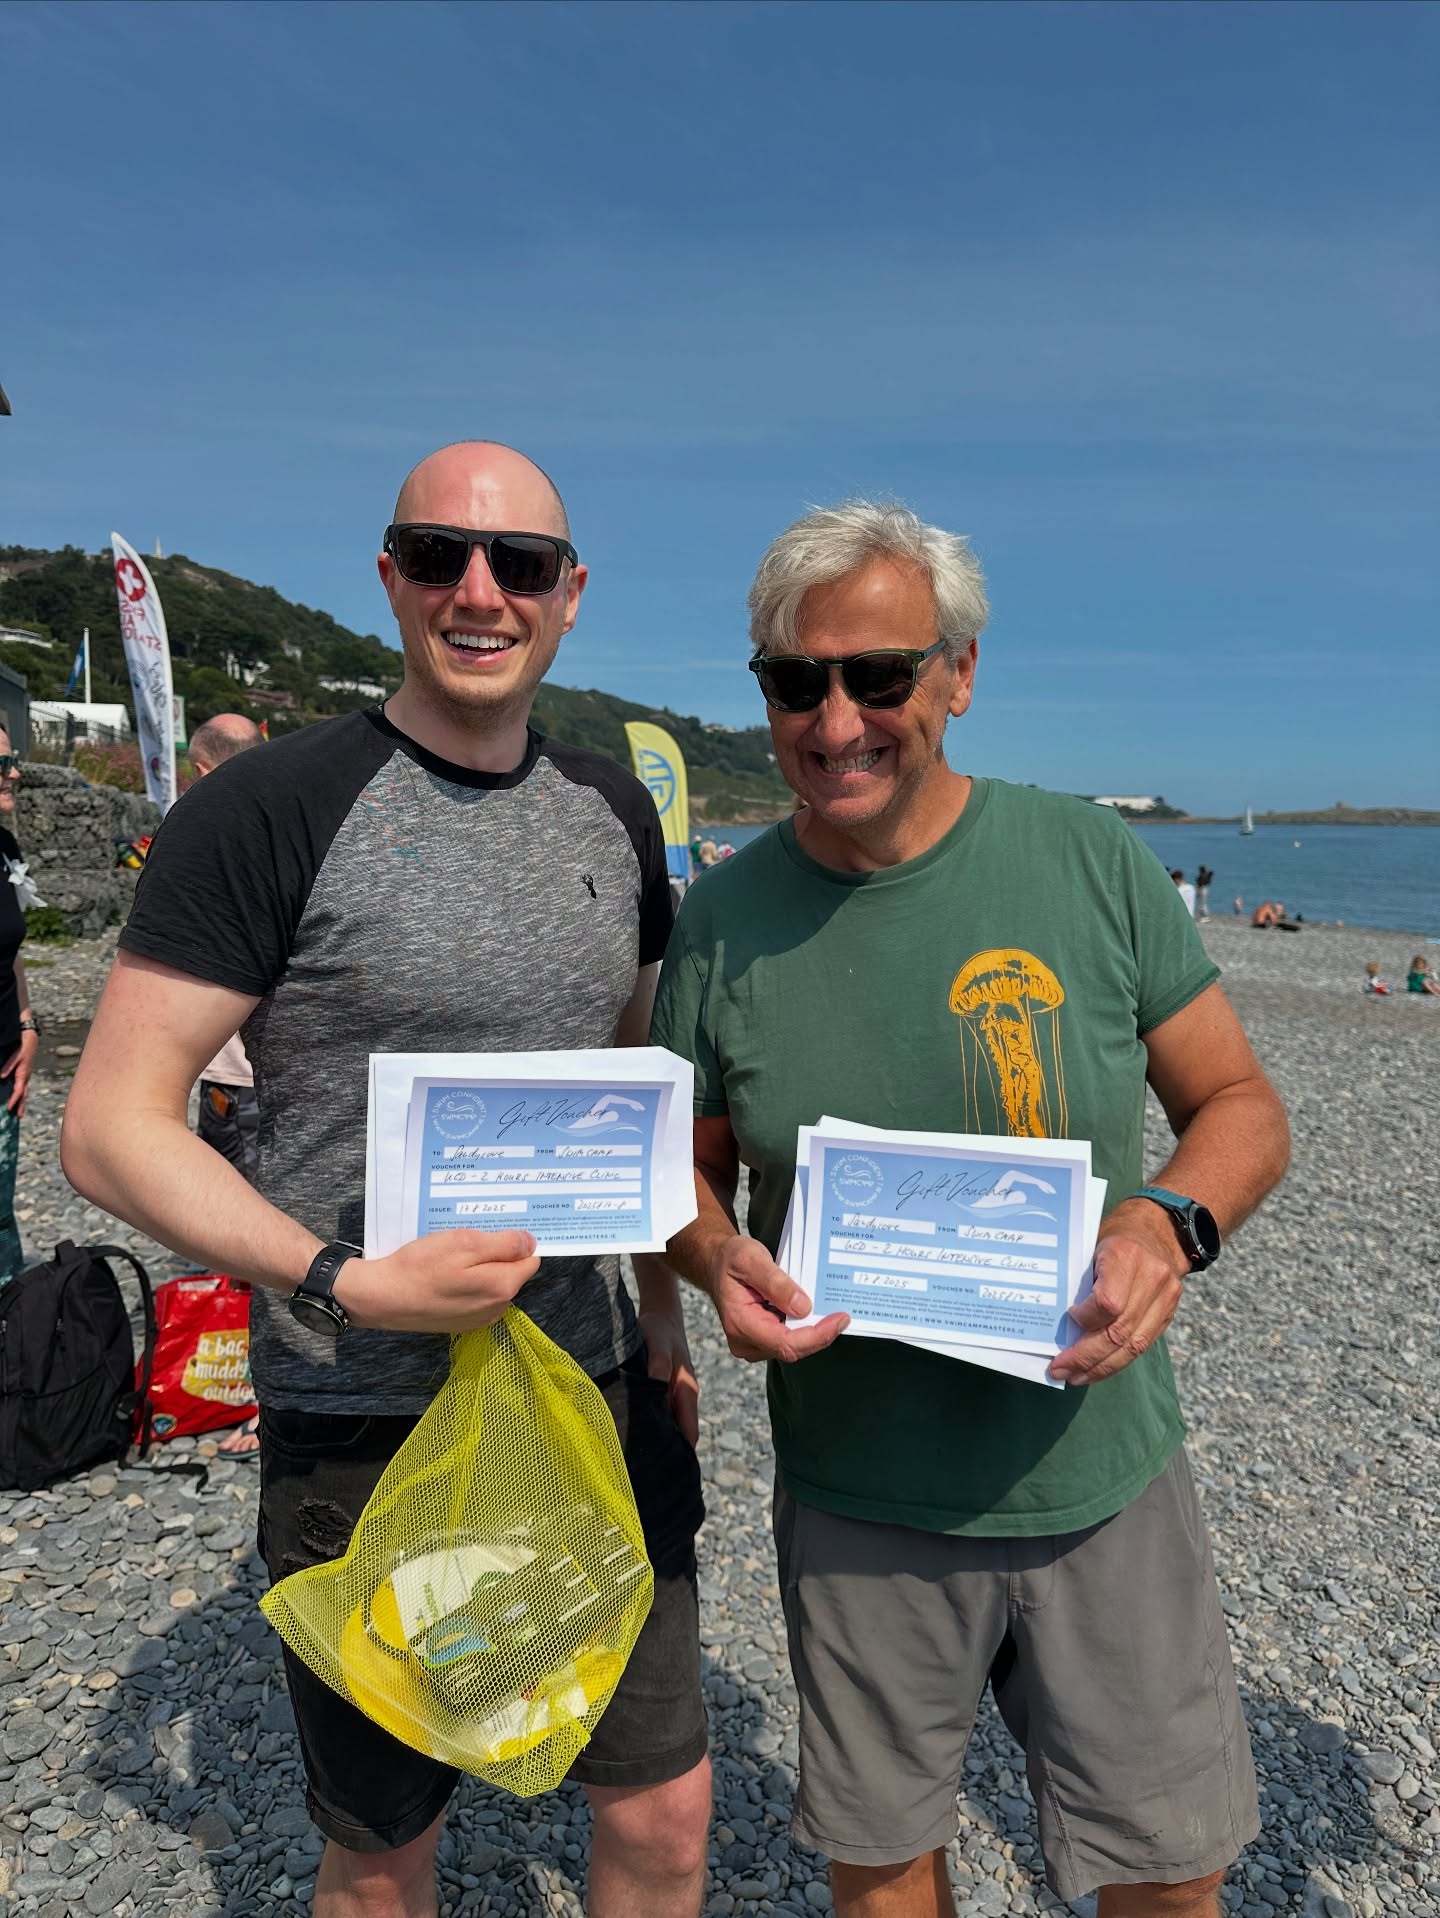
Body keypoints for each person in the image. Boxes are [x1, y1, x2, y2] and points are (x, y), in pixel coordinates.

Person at [62, 442, 711, 1918]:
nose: (479, 590)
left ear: (570, 596)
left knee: (666, 1810)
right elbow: (108, 1123)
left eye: (519, 565)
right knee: (382, 1851)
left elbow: (634, 1091)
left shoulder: (616, 814)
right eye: (438, 556)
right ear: (389, 580)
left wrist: (667, 1319)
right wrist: (345, 1278)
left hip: (592, 1381)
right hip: (361, 1409)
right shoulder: (273, 805)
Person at [651, 500, 1290, 1918]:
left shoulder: (1088, 862)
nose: (836, 721)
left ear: (958, 673)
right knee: (881, 1861)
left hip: (1097, 1471)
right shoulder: (724, 918)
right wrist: (714, 1259)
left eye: (879, 675)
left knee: (1169, 1864)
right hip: (861, 1488)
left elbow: (1240, 1104)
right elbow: (677, 1172)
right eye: (794, 681)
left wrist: (1165, 1222)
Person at [186, 714, 267, 1454]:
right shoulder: (284, 824)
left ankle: (250, 1395)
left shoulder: (210, 835)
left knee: (246, 1237)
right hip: (245, 1077)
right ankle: (241, 1386)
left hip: (233, 1077)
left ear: (203, 770)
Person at [0, 728, 41, 1285]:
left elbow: (9, 950)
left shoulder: (4, 847)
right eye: (4, 761)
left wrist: (28, 1025)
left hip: (5, 1060)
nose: (13, 772)